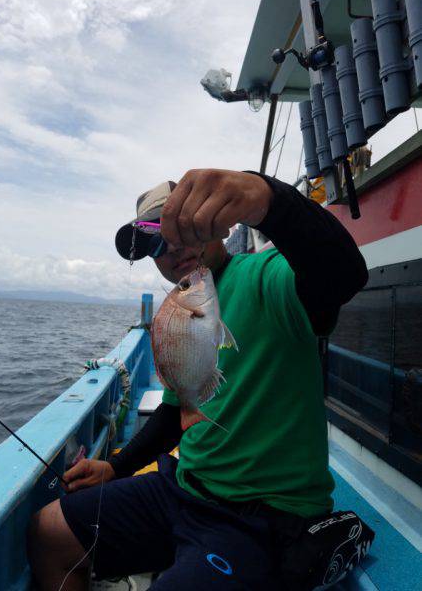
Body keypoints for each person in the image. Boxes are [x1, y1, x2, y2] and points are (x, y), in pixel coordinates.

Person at [27, 169, 368, 590]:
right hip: (183, 489)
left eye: (182, 227)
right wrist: (115, 468)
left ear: (216, 225)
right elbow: (178, 410)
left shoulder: (267, 276)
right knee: (49, 531)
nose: (171, 247)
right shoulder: (176, 310)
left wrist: (268, 201)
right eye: (156, 242)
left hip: (261, 517)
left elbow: (343, 275)